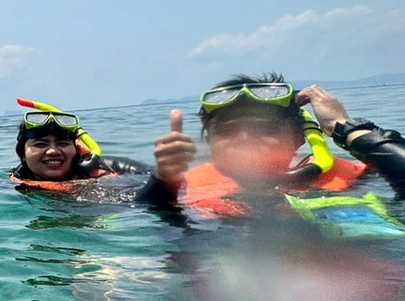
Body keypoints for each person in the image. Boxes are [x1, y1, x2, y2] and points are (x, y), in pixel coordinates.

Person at [140, 73, 405, 219]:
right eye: (228, 130)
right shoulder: (181, 192)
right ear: (209, 141)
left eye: (264, 129)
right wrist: (163, 183)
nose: (244, 139)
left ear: (298, 138)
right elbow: (153, 222)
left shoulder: (355, 180)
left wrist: (345, 126)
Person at [0, 102, 149, 197]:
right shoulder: (12, 185)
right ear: (22, 153)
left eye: (63, 143)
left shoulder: (108, 170)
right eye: (40, 144)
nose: (53, 151)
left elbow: (162, 184)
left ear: (77, 149)